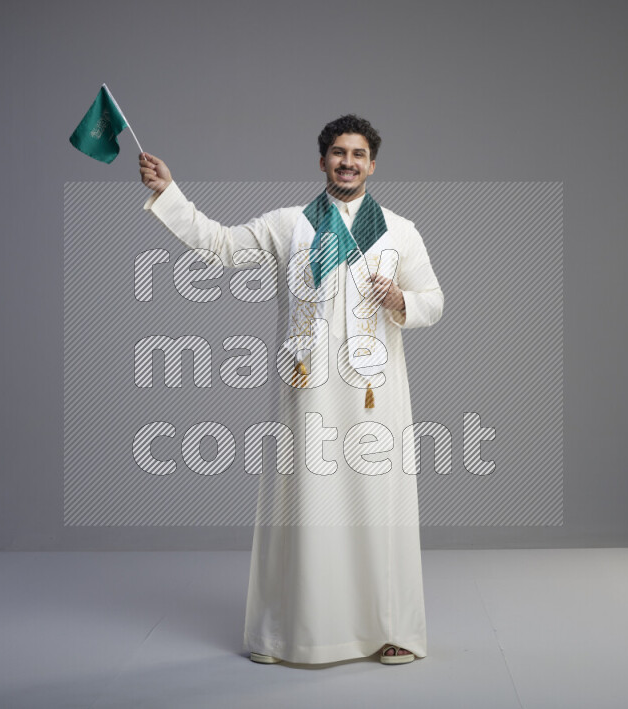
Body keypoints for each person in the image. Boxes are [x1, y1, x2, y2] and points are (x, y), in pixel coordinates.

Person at [139, 115, 444, 665]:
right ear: (322, 160)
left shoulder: (400, 230)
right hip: (308, 391)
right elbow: (222, 246)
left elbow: (434, 300)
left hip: (375, 392)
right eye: (337, 152)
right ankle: (288, 632)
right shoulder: (290, 225)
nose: (347, 162)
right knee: (305, 504)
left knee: (380, 504)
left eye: (357, 153)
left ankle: (391, 629)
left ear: (372, 164)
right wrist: (170, 194)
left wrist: (400, 300)